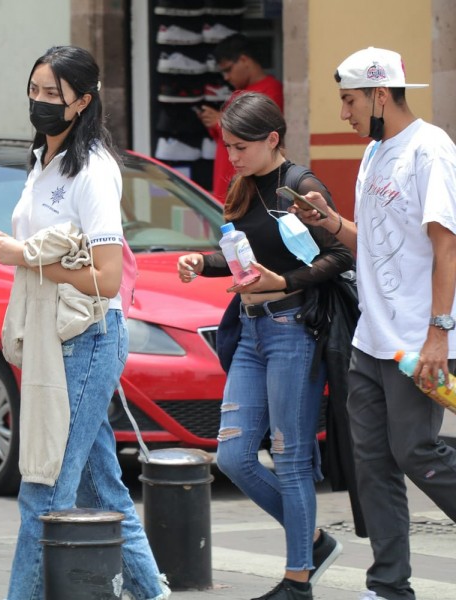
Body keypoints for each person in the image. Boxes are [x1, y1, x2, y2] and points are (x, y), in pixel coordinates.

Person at [0, 46, 170, 600]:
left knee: (44, 486)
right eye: (33, 90)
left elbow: (108, 279)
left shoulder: (93, 171)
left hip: (86, 338)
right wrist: (14, 249)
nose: (38, 102)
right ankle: (153, 593)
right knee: (103, 489)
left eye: (51, 94)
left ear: (82, 102)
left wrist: (28, 257)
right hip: (53, 337)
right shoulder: (44, 162)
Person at [292, 47, 456, 600]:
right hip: (370, 337)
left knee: (417, 453)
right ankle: (388, 587)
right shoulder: (373, 154)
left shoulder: (431, 150)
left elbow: (446, 248)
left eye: (349, 101)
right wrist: (331, 222)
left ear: (380, 94)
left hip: (417, 339)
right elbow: (375, 248)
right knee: (373, 466)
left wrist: (439, 332)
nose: (344, 113)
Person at [177, 92, 353, 600]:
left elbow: (340, 255)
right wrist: (203, 263)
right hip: (251, 331)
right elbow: (244, 257)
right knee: (233, 456)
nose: (232, 157)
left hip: (294, 329)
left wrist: (284, 282)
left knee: (291, 458)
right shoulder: (243, 185)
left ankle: (298, 581)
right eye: (227, 146)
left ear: (272, 139)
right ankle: (314, 542)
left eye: (241, 147)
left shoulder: (302, 187)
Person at [198, 33, 284, 202]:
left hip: (245, 192)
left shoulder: (271, 89)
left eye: (228, 69)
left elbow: (256, 132)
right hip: (228, 191)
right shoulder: (239, 93)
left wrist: (220, 121)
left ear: (244, 60)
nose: (226, 77)